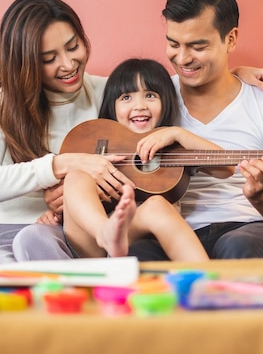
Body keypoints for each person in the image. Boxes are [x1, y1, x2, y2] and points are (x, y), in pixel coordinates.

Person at [0, 0, 263, 263]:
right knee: (38, 232)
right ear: (25, 62)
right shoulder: (3, 103)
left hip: (69, 233)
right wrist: (62, 165)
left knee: (60, 232)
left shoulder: (104, 91)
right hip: (9, 232)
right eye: (49, 58)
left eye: (73, 47)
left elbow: (157, 89)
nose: (69, 65)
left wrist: (233, 76)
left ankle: (212, 291)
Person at [128, 0, 263, 261]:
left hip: (248, 228)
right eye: (173, 44)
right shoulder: (150, 101)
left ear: (231, 39)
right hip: (170, 235)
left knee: (243, 247)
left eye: (197, 46)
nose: (182, 58)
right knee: (133, 257)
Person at [63, 58, 235, 261]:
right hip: (92, 242)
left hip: (133, 234)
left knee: (157, 205)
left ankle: (208, 283)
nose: (139, 106)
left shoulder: (173, 145)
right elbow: (67, 195)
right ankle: (105, 232)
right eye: (126, 97)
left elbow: (226, 167)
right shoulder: (96, 142)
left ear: (167, 101)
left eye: (150, 95)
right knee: (75, 177)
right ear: (112, 106)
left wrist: (179, 134)